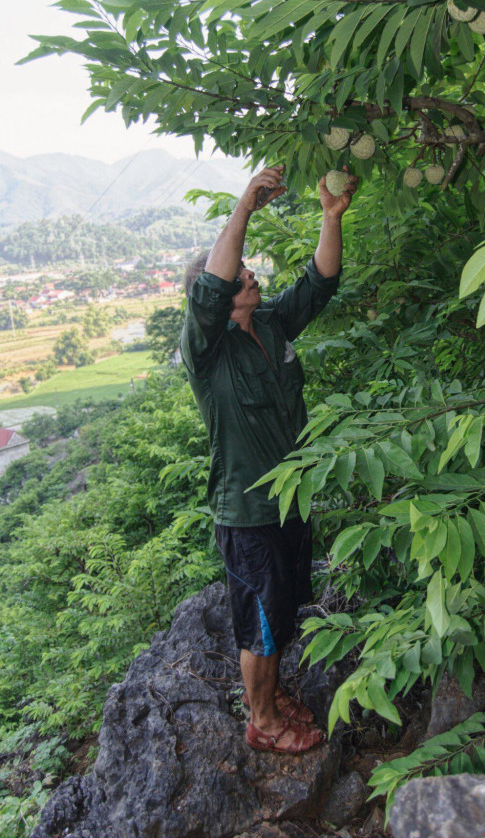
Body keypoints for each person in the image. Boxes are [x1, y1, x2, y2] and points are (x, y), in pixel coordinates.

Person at [179, 163, 358, 755]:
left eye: (250, 274)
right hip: (249, 510)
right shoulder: (206, 351)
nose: (249, 277)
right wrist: (243, 209)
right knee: (259, 620)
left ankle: (274, 694)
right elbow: (210, 288)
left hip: (292, 501)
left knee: (281, 609)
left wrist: (331, 218)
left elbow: (320, 281)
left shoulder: (273, 324)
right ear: (219, 299)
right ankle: (262, 720)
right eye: (241, 277)